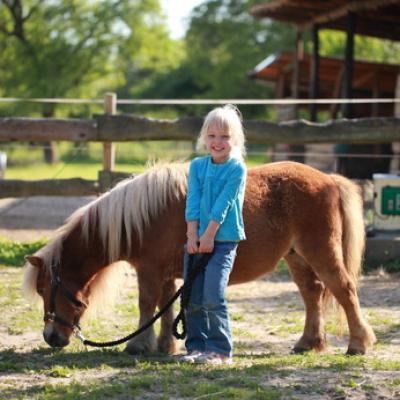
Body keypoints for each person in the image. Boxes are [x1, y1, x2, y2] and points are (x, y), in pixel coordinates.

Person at [181, 104, 247, 365]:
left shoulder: (237, 169)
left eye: (224, 136)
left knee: (212, 296)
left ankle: (220, 349)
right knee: (192, 297)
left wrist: (208, 236)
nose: (217, 142)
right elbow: (193, 201)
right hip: (196, 238)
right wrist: (191, 235)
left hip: (223, 239)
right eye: (212, 136)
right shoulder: (197, 166)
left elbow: (223, 205)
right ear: (203, 138)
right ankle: (196, 347)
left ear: (235, 140)